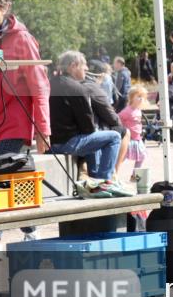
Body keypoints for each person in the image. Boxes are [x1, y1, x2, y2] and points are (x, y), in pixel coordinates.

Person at [0, 0, 50, 242]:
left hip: (14, 121)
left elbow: (40, 86)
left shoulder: (21, 39)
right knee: (10, 175)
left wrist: (43, 129)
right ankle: (31, 229)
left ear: (5, 8)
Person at [48, 52, 124, 192]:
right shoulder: (77, 88)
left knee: (93, 136)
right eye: (84, 65)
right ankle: (103, 182)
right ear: (73, 66)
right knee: (114, 137)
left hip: (52, 143)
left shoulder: (50, 83)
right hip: (68, 143)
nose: (87, 69)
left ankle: (95, 178)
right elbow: (88, 127)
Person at [117, 86, 148, 181]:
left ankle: (134, 176)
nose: (141, 99)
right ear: (131, 98)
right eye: (138, 96)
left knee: (142, 157)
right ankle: (113, 172)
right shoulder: (127, 111)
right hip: (128, 140)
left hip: (137, 138)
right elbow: (117, 118)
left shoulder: (138, 110)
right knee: (121, 158)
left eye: (142, 97)